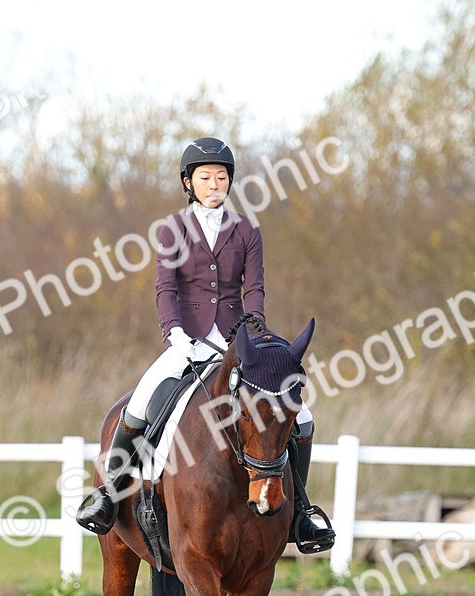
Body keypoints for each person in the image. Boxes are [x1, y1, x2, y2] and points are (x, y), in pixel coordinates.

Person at [76, 136, 334, 552]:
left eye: (221, 177)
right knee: (141, 402)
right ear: (188, 183)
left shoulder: (247, 230)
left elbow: (255, 287)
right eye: (205, 177)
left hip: (238, 342)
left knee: (300, 417)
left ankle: (301, 512)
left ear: (229, 182)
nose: (214, 184)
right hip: (187, 338)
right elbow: (165, 289)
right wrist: (175, 334)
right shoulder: (172, 230)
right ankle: (107, 494)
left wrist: (255, 329)